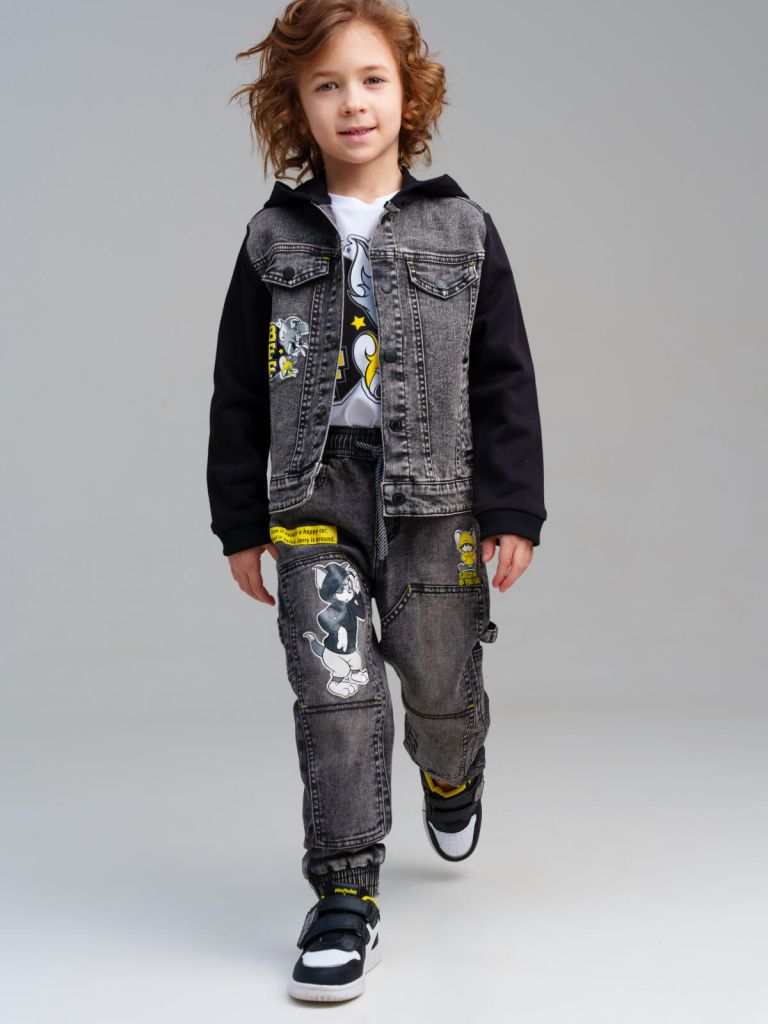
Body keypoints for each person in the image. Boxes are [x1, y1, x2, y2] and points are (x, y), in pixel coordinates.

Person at [206, 0, 546, 1003]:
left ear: (409, 94)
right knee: (338, 693)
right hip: (315, 494)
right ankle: (346, 895)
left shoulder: (463, 229)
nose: (352, 102)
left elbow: (505, 379)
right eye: (326, 85)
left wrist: (514, 508)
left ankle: (451, 766)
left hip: (437, 498)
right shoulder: (272, 237)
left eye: (371, 80)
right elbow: (237, 388)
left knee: (439, 683)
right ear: (296, 107)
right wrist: (240, 521)